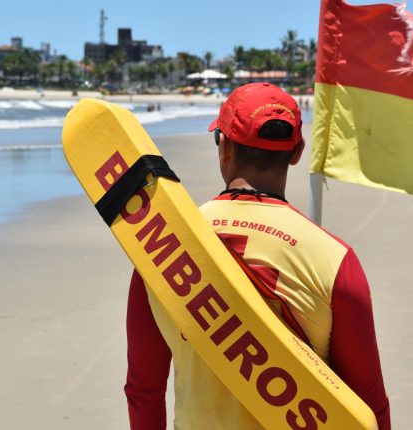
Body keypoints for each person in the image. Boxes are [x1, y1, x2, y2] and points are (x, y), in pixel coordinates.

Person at [124, 82, 390, 430]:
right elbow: (369, 406)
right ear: (296, 153)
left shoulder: (162, 246)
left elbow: (143, 390)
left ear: (225, 147)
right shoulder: (334, 259)